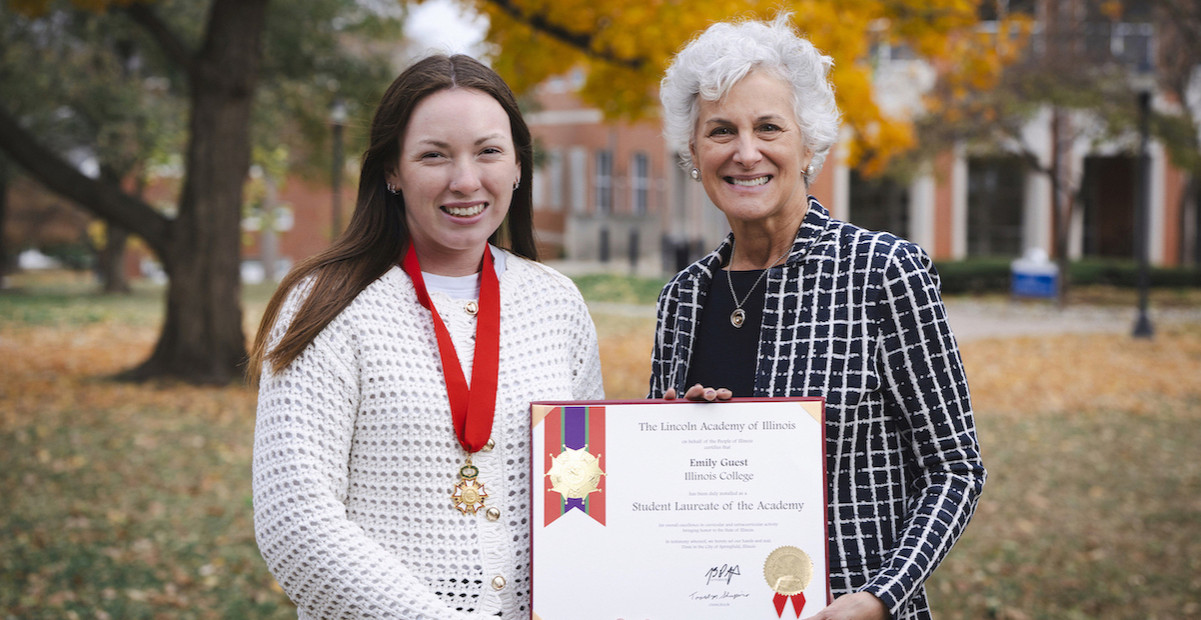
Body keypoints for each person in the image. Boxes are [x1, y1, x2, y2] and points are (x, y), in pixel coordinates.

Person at [650, 15, 985, 620]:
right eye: (720, 130)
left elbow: (955, 467)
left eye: (769, 127)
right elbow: (663, 489)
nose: (745, 152)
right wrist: (680, 437)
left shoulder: (882, 272)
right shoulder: (683, 297)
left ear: (808, 145)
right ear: (694, 153)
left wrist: (882, 596)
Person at [249, 54, 604, 618]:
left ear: (517, 165)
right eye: (434, 155)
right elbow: (297, 523)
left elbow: (583, 489)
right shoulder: (327, 304)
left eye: (488, 151)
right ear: (393, 170)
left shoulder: (556, 301)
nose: (465, 181)